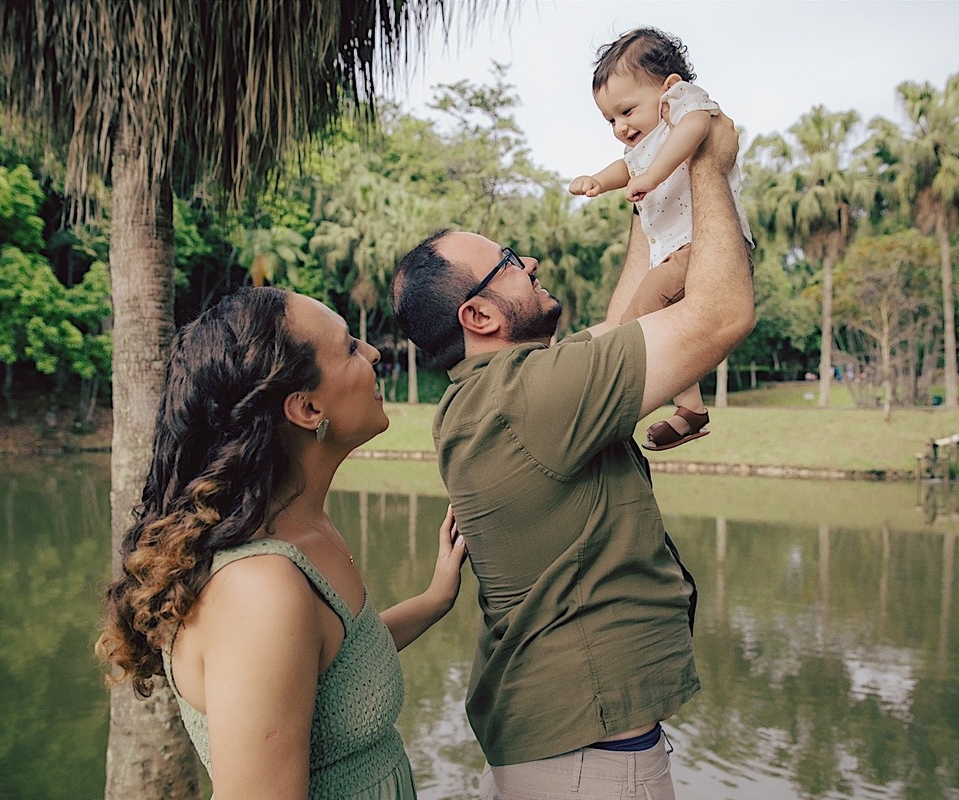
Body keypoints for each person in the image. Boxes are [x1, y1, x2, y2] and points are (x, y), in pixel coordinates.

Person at [389, 108, 754, 799]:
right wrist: (708, 163)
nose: (528, 262)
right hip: (589, 764)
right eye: (507, 261)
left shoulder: (497, 395)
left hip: (565, 752)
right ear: (481, 315)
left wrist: (656, 186)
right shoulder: (529, 398)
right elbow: (720, 315)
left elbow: (627, 323)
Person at [95, 286, 467, 799]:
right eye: (351, 348)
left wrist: (434, 599)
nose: (375, 352)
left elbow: (336, 663)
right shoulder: (258, 590)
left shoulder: (301, 532)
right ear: (307, 408)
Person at [569, 27, 753, 450]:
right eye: (611, 119)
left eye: (627, 111)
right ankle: (690, 409)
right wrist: (599, 180)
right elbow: (627, 167)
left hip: (703, 246)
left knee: (635, 327)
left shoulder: (683, 105)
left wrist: (653, 177)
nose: (620, 126)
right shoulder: (647, 144)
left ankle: (657, 407)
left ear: (669, 87)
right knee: (645, 326)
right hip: (674, 252)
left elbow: (696, 130)